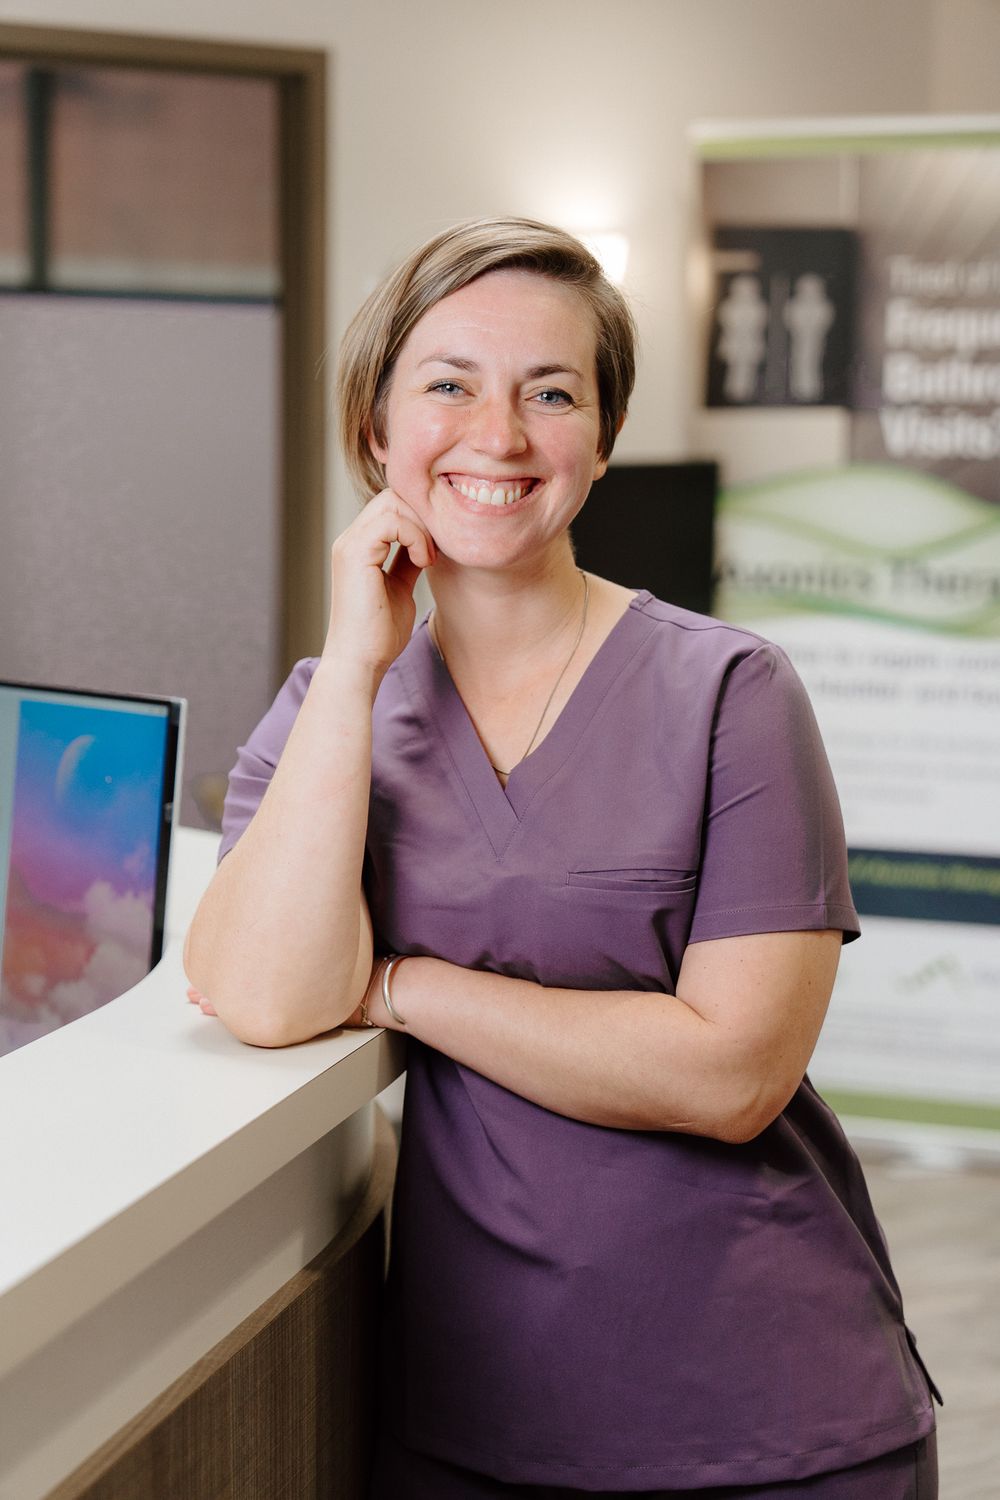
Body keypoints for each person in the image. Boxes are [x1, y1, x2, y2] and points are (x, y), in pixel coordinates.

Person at [184, 217, 940, 1498]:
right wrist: (361, 659)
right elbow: (259, 993)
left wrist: (404, 989)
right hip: (474, 1422)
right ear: (376, 429)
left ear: (601, 439)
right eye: (449, 385)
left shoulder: (729, 691)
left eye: (552, 392)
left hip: (769, 1414)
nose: (501, 433)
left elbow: (734, 1073)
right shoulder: (336, 706)